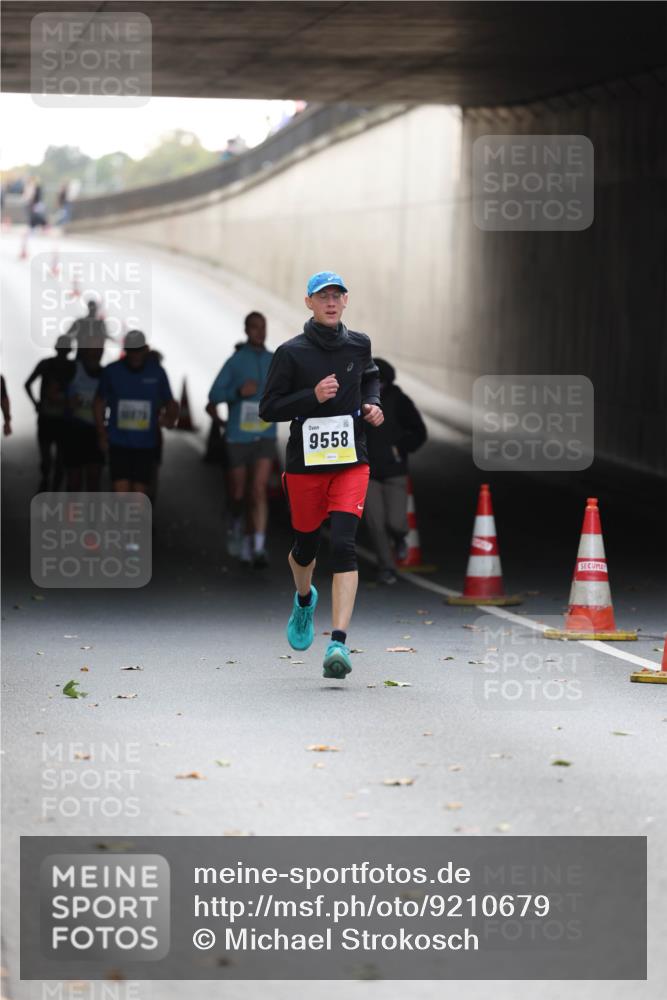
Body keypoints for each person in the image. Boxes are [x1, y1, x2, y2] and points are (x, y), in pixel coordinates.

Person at [259, 271, 383, 680]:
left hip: (351, 461)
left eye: (337, 295)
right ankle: (303, 598)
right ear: (309, 303)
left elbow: (369, 377)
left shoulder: (359, 343)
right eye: (322, 296)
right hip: (306, 466)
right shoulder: (290, 353)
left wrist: (371, 404)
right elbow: (269, 408)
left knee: (344, 545)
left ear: (346, 301)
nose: (330, 302)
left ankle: (339, 643)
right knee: (307, 547)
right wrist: (310, 397)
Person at [207, 312, 277, 567]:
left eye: (263, 327)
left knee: (258, 490)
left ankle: (258, 547)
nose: (260, 332)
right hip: (238, 436)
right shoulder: (236, 361)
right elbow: (213, 395)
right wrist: (237, 392)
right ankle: (235, 522)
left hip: (266, 435)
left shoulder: (274, 360)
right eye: (255, 327)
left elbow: (288, 390)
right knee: (238, 493)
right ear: (246, 330)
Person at [364, 358, 427, 584]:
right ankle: (386, 567)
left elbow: (419, 431)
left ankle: (400, 539)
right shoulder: (357, 402)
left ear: (388, 381)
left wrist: (401, 448)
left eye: (381, 381)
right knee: (375, 523)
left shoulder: (399, 401)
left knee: (396, 522)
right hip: (367, 474)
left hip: (394, 471)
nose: (377, 386)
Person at [94, 330, 178, 494]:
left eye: (138, 350)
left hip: (145, 445)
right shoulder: (112, 371)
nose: (134, 355)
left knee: (138, 497)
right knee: (121, 493)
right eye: (131, 350)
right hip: (118, 443)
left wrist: (170, 418)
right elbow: (99, 402)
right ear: (125, 350)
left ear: (146, 349)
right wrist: (101, 433)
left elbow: (170, 402)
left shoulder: (157, 372)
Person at [24, 335, 75, 490]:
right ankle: (51, 486)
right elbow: (27, 384)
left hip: (51, 418)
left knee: (51, 459)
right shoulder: (73, 367)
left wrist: (36, 404)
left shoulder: (47, 364)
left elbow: (27, 384)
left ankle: (48, 483)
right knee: (56, 460)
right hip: (59, 419)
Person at [63, 337, 105, 491]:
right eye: (92, 349)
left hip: (95, 433)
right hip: (73, 432)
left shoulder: (105, 374)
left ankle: (90, 514)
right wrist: (67, 401)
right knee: (74, 481)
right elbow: (51, 392)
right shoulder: (72, 369)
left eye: (99, 350)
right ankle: (72, 515)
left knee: (94, 481)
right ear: (84, 351)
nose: (96, 353)